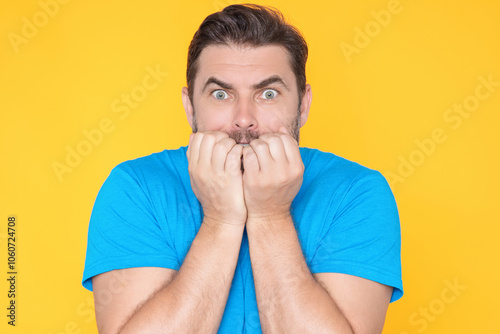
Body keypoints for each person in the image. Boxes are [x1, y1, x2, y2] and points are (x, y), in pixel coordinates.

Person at [82, 4, 403, 333]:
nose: (244, 118)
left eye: (268, 93)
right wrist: (220, 220)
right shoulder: (135, 188)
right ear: (190, 106)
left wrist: (270, 216)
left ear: (303, 105)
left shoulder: (357, 192)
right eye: (221, 94)